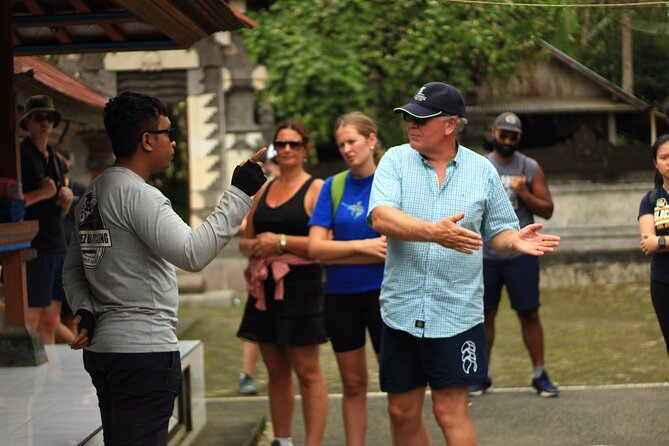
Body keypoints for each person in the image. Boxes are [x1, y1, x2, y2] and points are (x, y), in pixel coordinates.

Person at [63, 91, 266, 445]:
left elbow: (72, 268)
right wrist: (239, 194)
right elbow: (192, 253)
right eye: (168, 133)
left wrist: (85, 308)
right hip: (143, 354)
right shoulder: (140, 196)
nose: (173, 142)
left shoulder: (92, 194)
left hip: (104, 353)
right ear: (146, 140)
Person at [367, 81, 560, 445]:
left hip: (456, 314)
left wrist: (513, 240)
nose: (411, 123)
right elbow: (380, 217)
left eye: (421, 118)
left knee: (449, 412)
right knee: (401, 412)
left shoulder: (481, 170)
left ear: (451, 125)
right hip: (401, 310)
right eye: (408, 116)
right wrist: (433, 232)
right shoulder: (394, 159)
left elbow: (500, 231)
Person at [237, 120, 327, 446]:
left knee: (307, 371)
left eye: (294, 144)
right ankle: (283, 440)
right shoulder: (264, 189)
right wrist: (260, 246)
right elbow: (244, 242)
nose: (286, 149)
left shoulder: (316, 189)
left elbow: (325, 243)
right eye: (281, 144)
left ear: (306, 149)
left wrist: (282, 242)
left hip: (302, 286)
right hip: (264, 286)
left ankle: (313, 442)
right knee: (275, 370)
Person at [308, 111, 386, 446]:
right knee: (352, 385)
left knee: (398, 383)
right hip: (340, 297)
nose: (346, 149)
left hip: (385, 294)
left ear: (371, 140)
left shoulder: (391, 181)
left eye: (351, 141)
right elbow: (315, 248)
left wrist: (338, 248)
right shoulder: (333, 186)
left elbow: (392, 247)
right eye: (341, 144)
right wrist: (365, 246)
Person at [471, 112, 559, 397]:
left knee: (529, 313)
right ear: (493, 133)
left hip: (522, 252)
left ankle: (539, 373)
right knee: (485, 314)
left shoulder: (530, 167)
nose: (507, 140)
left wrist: (524, 193)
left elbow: (547, 209)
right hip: (486, 254)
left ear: (519, 138)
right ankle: (481, 374)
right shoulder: (480, 165)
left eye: (513, 136)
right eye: (503, 134)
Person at [20, 94, 74, 344]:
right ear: (27, 122)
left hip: (56, 244)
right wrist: (41, 194)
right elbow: (11, 202)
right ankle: (35, 380)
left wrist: (63, 203)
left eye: (49, 118)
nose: (45, 122)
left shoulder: (53, 159)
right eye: (39, 117)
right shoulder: (18, 155)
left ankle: (51, 378)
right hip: (34, 247)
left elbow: (59, 213)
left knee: (50, 322)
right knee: (31, 322)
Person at [639, 133, 669, 356]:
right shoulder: (650, 200)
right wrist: (656, 242)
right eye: (664, 157)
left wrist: (662, 241)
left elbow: (655, 241)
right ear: (655, 163)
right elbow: (648, 243)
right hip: (662, 282)